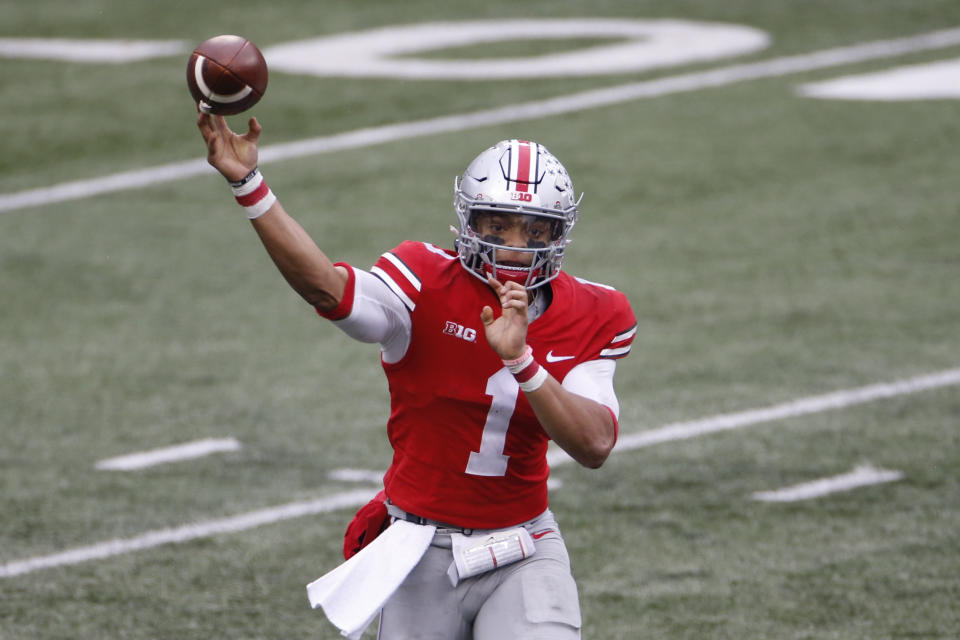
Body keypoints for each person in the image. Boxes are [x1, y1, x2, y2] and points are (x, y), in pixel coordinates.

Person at [196, 111, 636, 639]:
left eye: (535, 229)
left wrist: (522, 362)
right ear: (468, 223)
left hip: (525, 544)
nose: (516, 244)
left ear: (558, 233)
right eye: (497, 225)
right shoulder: (422, 280)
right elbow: (329, 290)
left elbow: (594, 444)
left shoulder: (596, 311)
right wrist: (250, 186)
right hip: (421, 548)